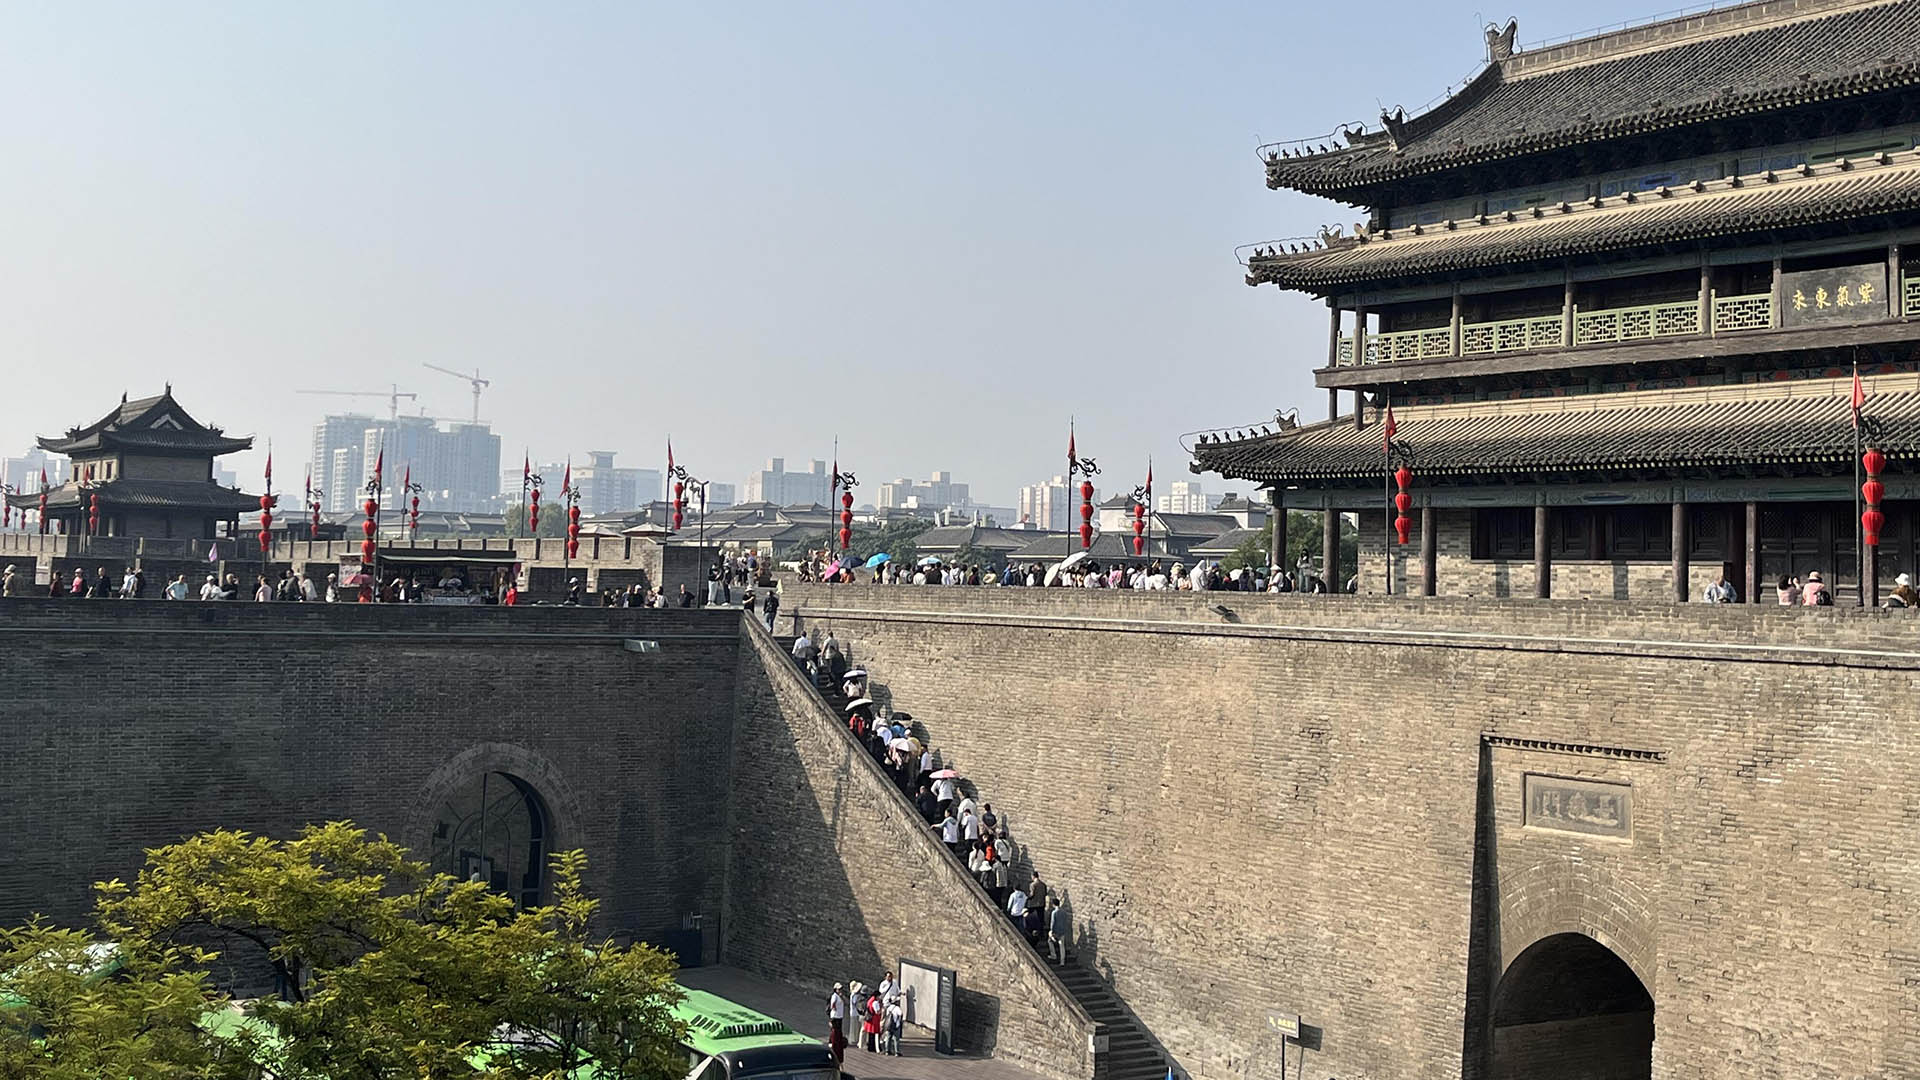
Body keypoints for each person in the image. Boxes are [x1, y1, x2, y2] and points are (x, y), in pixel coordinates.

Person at [1047, 898, 1070, 964]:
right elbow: (1065, 921)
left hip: (1056, 931)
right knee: (1062, 946)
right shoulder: (1064, 912)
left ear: (1053, 904)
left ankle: (1053, 955)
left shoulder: (1054, 912)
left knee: (1049, 941)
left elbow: (1053, 923)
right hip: (1062, 931)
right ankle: (1062, 961)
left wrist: (1052, 931)